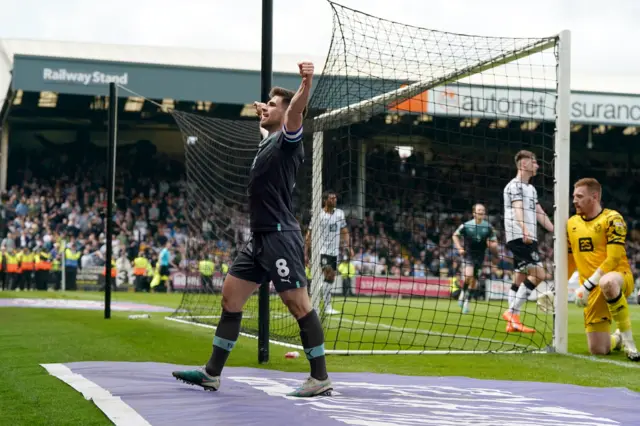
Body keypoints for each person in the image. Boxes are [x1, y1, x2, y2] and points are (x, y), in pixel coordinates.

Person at [172, 62, 333, 397]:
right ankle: (211, 373)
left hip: (280, 234)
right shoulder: (268, 140)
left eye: (273, 105)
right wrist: (265, 111)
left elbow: (295, 110)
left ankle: (320, 378)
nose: (266, 108)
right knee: (230, 298)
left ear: (286, 112)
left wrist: (305, 83)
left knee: (297, 304)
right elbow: (268, 128)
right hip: (258, 238)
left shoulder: (289, 138)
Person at [568, 178, 639, 361]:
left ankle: (630, 343)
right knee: (599, 349)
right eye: (574, 196)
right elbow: (570, 261)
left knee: (607, 282)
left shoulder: (613, 219)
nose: (574, 200)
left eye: (579, 196)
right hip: (591, 292)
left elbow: (613, 258)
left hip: (618, 277)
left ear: (595, 197)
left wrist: (587, 286)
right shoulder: (571, 223)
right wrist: (555, 287)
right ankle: (618, 338)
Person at [501, 150, 554, 333]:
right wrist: (524, 229)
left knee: (519, 278)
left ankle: (512, 324)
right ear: (524, 164)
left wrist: (555, 230)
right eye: (534, 162)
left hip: (528, 236)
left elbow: (539, 212)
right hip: (520, 236)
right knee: (539, 274)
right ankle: (512, 313)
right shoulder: (514, 186)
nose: (537, 165)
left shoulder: (531, 189)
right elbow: (517, 208)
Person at [305, 190, 353, 315]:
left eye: (335, 198)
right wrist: (306, 252)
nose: (334, 200)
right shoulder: (318, 215)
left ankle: (321, 304)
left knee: (330, 278)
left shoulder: (340, 214)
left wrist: (349, 246)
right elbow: (309, 234)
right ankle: (321, 306)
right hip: (321, 250)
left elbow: (345, 231)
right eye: (332, 198)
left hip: (334, 251)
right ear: (325, 200)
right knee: (327, 273)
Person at [452, 204, 498, 314]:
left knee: (475, 282)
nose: (481, 211)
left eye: (483, 210)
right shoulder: (466, 225)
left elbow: (494, 241)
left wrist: (493, 246)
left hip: (481, 256)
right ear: (474, 213)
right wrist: (459, 248)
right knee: (468, 276)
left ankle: (467, 301)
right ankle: (463, 293)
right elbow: (455, 235)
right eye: (479, 210)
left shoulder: (489, 227)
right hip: (469, 255)